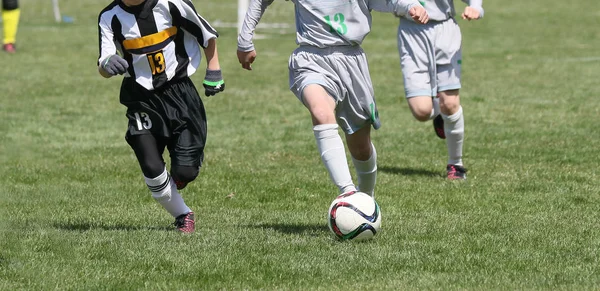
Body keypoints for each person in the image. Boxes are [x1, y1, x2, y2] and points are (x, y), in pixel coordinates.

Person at [237, 0, 428, 197]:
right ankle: (348, 193)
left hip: (351, 61)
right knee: (320, 112)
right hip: (310, 58)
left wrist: (411, 6)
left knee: (361, 148)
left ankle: (366, 197)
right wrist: (245, 40)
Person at [97, 0, 225, 233]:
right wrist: (107, 63)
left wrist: (214, 70)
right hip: (140, 97)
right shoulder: (109, 16)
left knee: (185, 171)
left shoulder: (171, 4)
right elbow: (103, 63)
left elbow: (206, 35)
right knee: (150, 163)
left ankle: (183, 170)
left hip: (179, 94)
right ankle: (183, 214)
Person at [395, 0, 484, 180]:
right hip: (412, 33)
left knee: (450, 103)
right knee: (422, 111)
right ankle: (438, 113)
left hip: (445, 31)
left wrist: (476, 7)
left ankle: (455, 164)